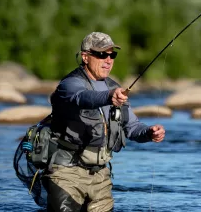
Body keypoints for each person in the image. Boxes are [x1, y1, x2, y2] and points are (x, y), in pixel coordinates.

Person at [42, 32, 166, 212]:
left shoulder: (114, 87)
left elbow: (132, 127)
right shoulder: (69, 84)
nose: (108, 60)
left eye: (112, 55)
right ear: (85, 57)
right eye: (101, 54)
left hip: (100, 176)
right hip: (66, 173)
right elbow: (81, 97)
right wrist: (108, 97)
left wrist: (149, 132)